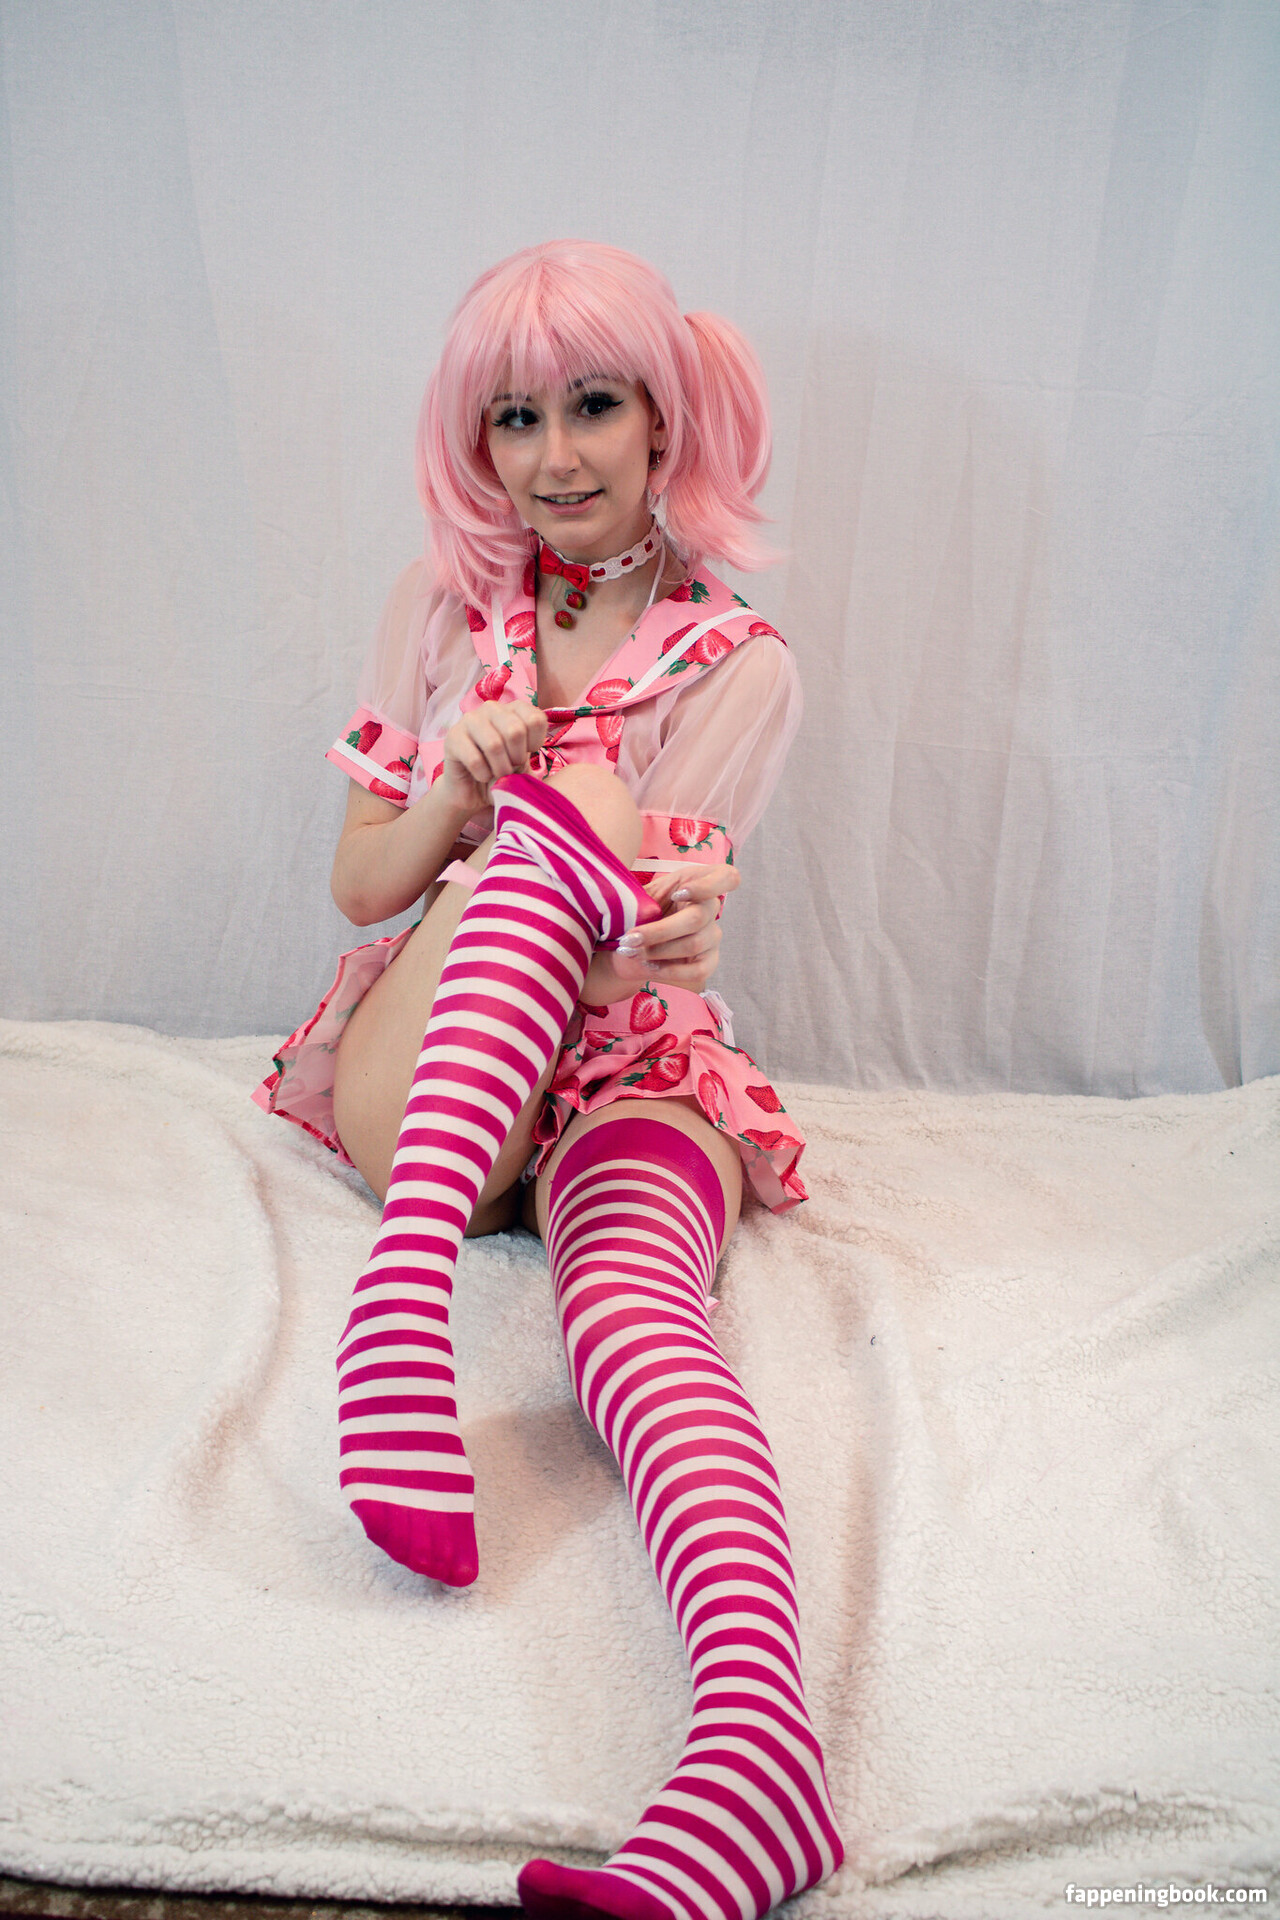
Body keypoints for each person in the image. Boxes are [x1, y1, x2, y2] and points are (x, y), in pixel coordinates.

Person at [253, 240, 844, 1920]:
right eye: (516, 418)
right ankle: (407, 1284)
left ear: (666, 419)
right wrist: (460, 791)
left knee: (637, 1320)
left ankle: (762, 1762)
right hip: (435, 1069)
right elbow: (365, 888)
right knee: (570, 803)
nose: (556, 456)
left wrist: (674, 940)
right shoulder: (441, 607)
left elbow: (635, 951)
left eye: (593, 407)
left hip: (613, 1064)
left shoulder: (740, 662)